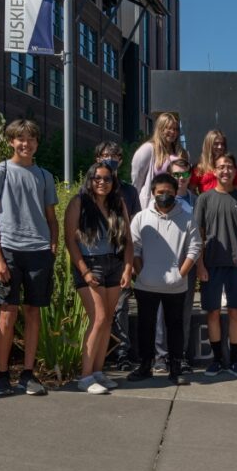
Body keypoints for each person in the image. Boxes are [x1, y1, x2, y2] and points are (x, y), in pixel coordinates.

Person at [0, 119, 58, 397]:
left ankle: (28, 374)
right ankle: (1, 374)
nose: (25, 144)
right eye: (20, 139)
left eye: (31, 139)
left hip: (38, 252)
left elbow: (51, 218)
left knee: (33, 312)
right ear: (11, 141)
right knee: (6, 312)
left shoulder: (44, 176)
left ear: (37, 143)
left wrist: (53, 244)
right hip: (9, 251)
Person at [65, 162, 134, 394]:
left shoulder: (118, 204)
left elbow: (128, 240)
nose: (102, 182)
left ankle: (97, 372)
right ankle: (85, 377)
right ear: (90, 180)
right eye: (97, 178)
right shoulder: (79, 203)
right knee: (99, 317)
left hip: (114, 263)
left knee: (107, 320)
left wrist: (127, 268)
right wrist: (84, 270)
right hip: (90, 264)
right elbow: (70, 240)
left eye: (107, 179)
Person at [129, 173, 201, 385]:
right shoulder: (141, 218)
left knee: (175, 327)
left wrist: (181, 274)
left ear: (176, 193)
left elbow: (195, 247)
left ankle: (176, 367)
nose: (164, 196)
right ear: (153, 193)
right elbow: (134, 248)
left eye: (169, 192)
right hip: (146, 284)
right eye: (160, 192)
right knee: (146, 326)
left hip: (176, 286)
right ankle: (145, 366)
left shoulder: (187, 218)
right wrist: (141, 273)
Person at [194, 153, 237, 377]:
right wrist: (199, 264)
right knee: (212, 312)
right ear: (215, 171)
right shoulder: (204, 199)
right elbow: (198, 235)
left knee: (236, 311)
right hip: (211, 264)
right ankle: (218, 360)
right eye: (221, 167)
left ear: (234, 170)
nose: (225, 171)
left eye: (229, 166)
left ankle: (235, 360)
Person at [95, 141, 141, 371]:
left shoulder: (129, 192)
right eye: (105, 155)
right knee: (98, 311)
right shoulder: (90, 189)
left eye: (115, 156)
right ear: (97, 159)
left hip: (120, 258)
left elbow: (134, 228)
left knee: (121, 308)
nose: (110, 159)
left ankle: (122, 353)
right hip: (95, 260)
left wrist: (130, 261)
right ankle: (98, 356)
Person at [150, 158, 198, 374]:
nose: (181, 179)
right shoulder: (158, 202)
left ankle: (181, 356)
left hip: (188, 264)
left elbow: (200, 237)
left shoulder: (197, 201)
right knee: (161, 312)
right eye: (176, 175)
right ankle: (161, 357)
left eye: (185, 175)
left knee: (183, 312)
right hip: (163, 265)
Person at [130, 112, 188, 209]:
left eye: (175, 129)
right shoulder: (148, 149)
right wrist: (135, 205)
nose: (173, 132)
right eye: (169, 128)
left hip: (177, 204)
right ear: (160, 129)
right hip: (153, 205)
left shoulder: (181, 152)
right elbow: (137, 180)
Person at [192, 130, 237, 195]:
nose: (220, 147)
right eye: (216, 144)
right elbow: (191, 189)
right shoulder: (199, 168)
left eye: (222, 144)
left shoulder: (230, 167)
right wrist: (200, 202)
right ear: (208, 145)